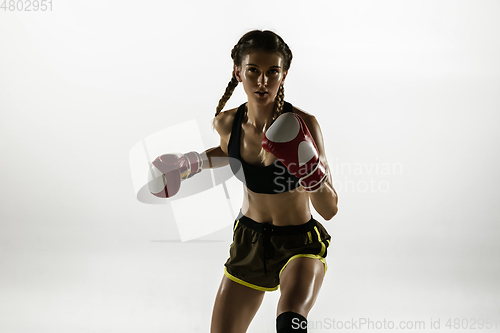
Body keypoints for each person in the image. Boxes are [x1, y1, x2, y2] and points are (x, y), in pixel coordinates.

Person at [148, 30, 338, 333]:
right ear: (238, 72)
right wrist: (188, 164)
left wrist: (309, 171)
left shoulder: (304, 124)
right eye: (253, 71)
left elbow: (329, 208)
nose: (262, 81)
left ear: (284, 74)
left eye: (272, 72)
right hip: (250, 242)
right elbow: (228, 152)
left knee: (291, 323)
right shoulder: (227, 122)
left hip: (299, 244)